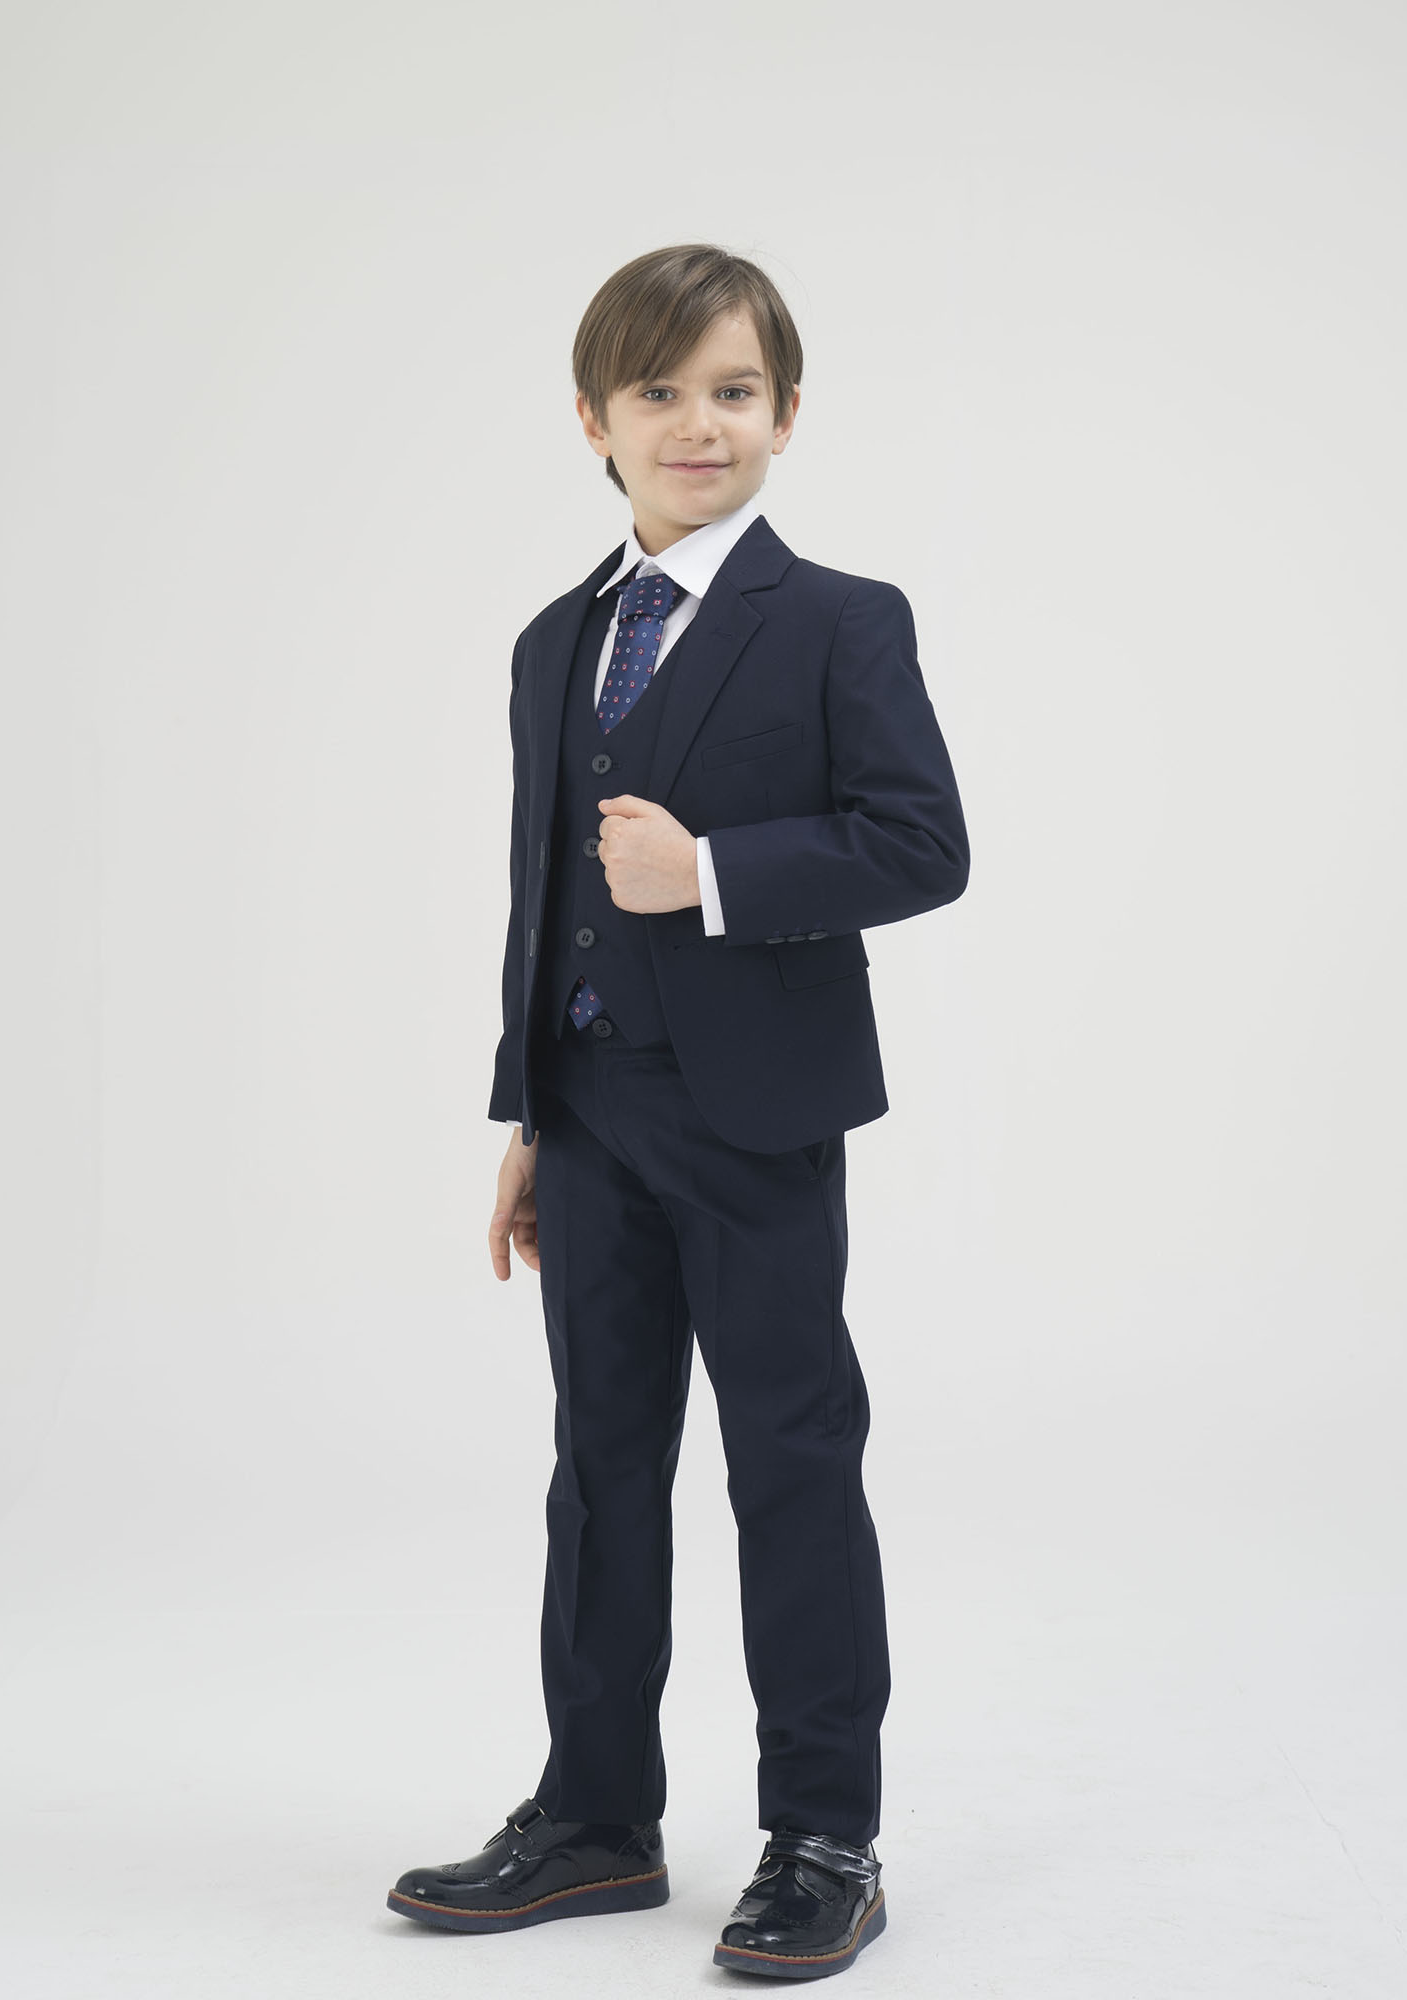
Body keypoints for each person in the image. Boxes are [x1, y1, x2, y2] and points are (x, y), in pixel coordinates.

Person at [387, 242, 970, 1980]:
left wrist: (712, 874)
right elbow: (540, 896)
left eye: (734, 390)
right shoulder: (554, 641)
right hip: (591, 1114)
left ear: (787, 415)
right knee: (600, 1465)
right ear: (595, 420)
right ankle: (595, 1817)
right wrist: (529, 1113)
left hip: (756, 1120)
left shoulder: (841, 619)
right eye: (660, 391)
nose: (697, 423)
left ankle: (825, 1836)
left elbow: (922, 845)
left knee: (790, 1457)